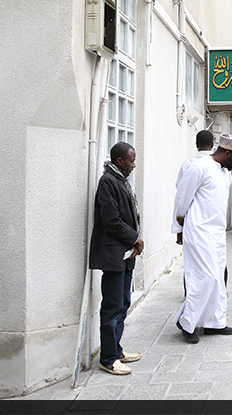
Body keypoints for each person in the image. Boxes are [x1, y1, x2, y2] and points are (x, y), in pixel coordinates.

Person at [172, 134, 232, 343]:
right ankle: (186, 322)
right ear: (227, 153)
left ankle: (214, 323)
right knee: (205, 277)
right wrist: (179, 228)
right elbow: (182, 198)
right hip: (199, 232)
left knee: (218, 278)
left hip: (217, 234)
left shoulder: (225, 172)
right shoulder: (199, 167)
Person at [88, 142, 144, 375]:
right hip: (113, 254)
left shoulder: (120, 180)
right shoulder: (108, 182)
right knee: (111, 307)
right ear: (119, 161)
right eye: (131, 161)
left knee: (123, 303)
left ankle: (116, 349)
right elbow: (110, 220)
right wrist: (135, 238)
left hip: (125, 254)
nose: (133, 165)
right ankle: (108, 358)